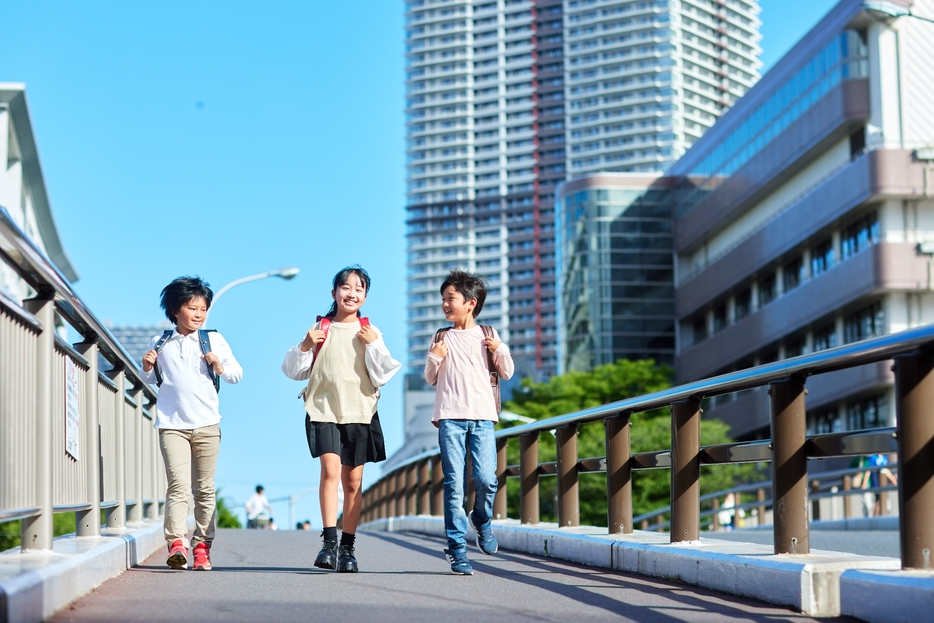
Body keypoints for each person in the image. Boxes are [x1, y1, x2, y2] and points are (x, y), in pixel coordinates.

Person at [281, 266, 401, 573]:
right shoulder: (320, 328)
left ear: (365, 296)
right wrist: (306, 345)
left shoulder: (369, 331)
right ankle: (329, 544)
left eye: (359, 289)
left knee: (353, 481)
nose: (352, 294)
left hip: (360, 413)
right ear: (334, 293)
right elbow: (293, 371)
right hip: (323, 410)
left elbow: (383, 374)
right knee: (330, 469)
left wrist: (373, 343)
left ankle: (348, 549)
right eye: (345, 288)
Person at [140, 276, 242, 571]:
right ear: (175, 311)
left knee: (204, 489)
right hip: (172, 425)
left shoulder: (213, 340)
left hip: (208, 424)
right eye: (192, 307)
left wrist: (219, 366)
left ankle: (201, 546)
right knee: (178, 487)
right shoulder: (161, 342)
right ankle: (176, 545)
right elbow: (148, 378)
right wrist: (147, 366)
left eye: (203, 309)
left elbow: (237, 373)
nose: (198, 314)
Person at [424, 269, 514, 575]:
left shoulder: (488, 335)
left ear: (470, 303)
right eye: (443, 300)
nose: (445, 305)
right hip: (450, 417)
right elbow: (429, 378)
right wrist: (435, 356)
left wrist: (498, 350)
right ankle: (458, 549)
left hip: (483, 418)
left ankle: (481, 519)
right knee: (454, 484)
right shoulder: (441, 337)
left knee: (487, 479)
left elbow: (508, 373)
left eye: (451, 299)